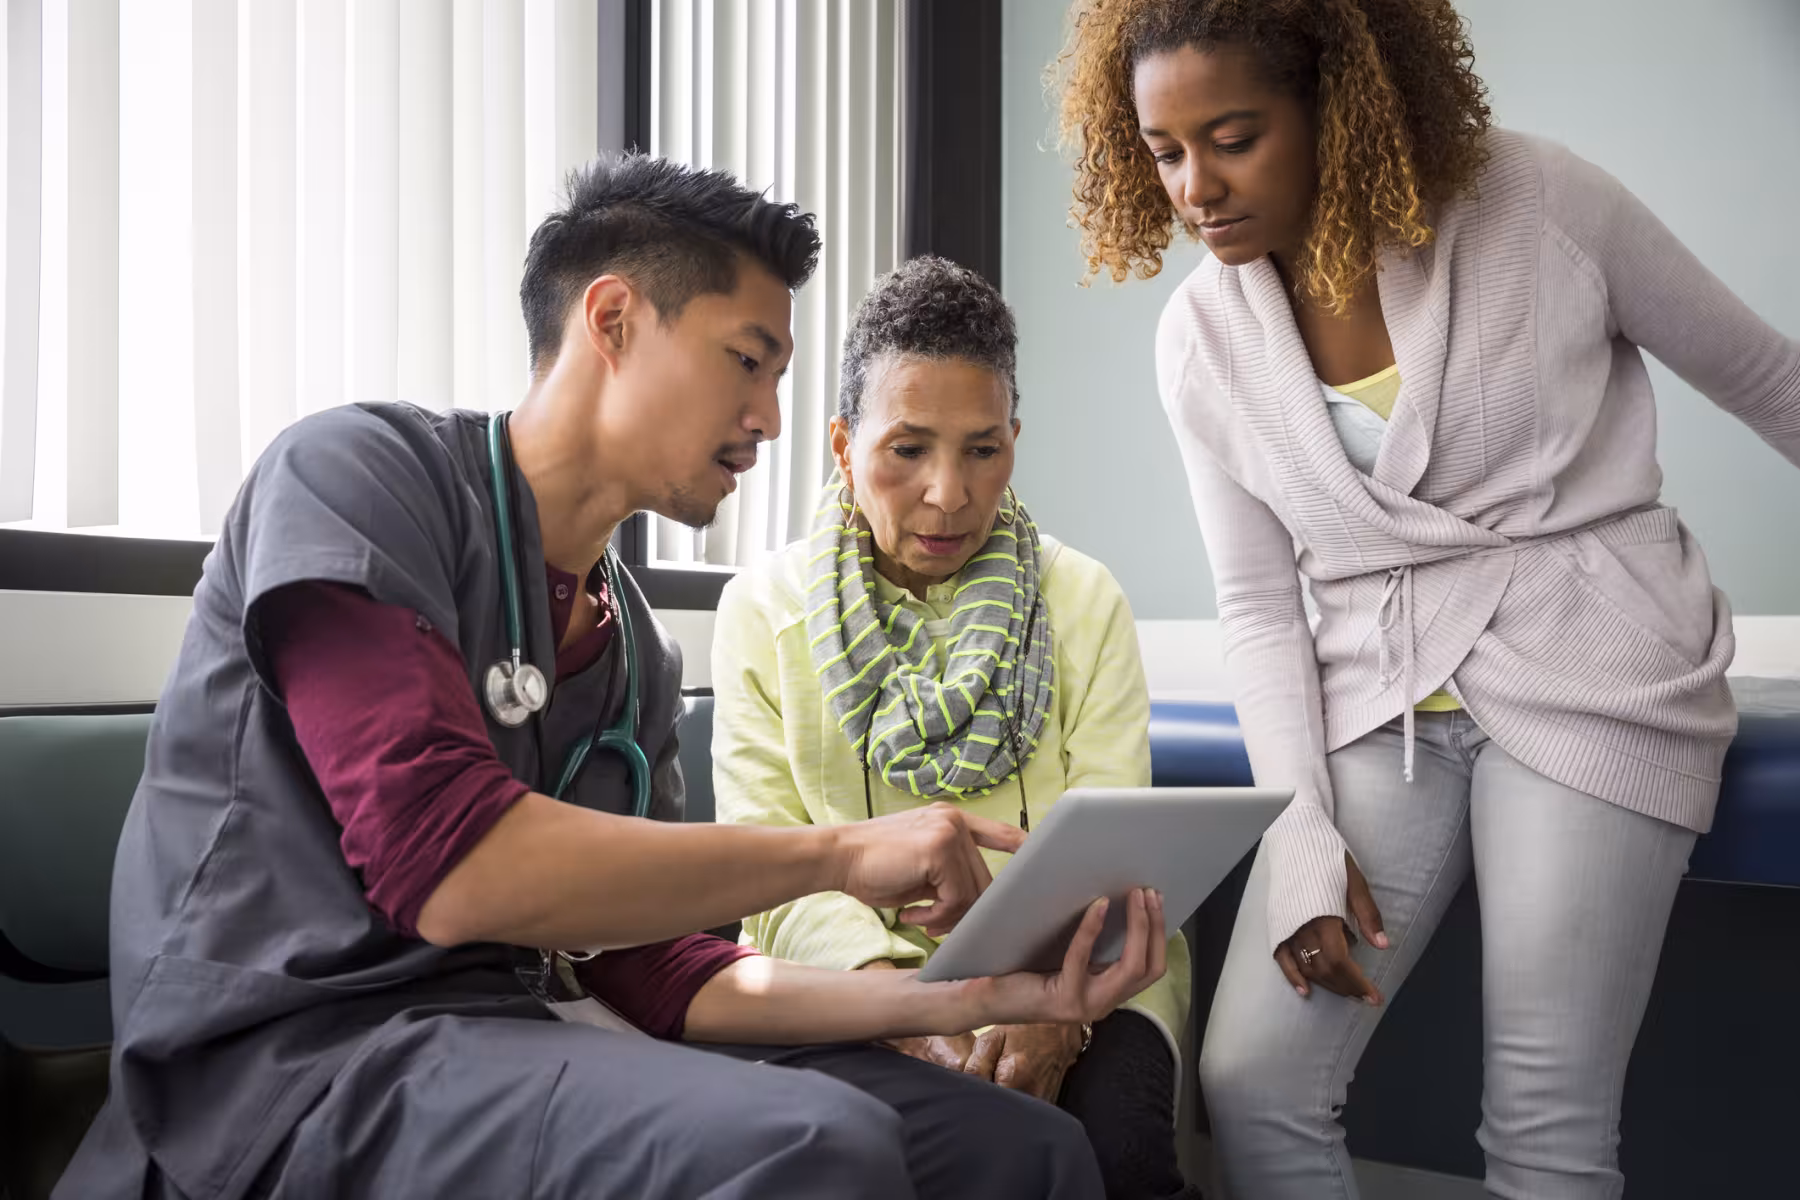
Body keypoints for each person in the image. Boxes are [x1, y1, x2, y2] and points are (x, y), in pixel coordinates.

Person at [54, 155, 1172, 1200]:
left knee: (1023, 1150)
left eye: (781, 378)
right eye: (747, 360)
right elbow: (446, 865)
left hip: (514, 1035)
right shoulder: (356, 477)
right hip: (290, 1063)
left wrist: (976, 997)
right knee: (819, 1146)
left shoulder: (632, 641)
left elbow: (661, 972)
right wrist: (838, 854)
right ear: (614, 319)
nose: (769, 422)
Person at [1053, 1, 1800, 1197]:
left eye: (1233, 137)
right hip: (1381, 703)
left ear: (1336, 105)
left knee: (1543, 1122)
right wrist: (1298, 835)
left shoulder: (1541, 203)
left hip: (1593, 668)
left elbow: (1770, 380)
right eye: (1163, 150)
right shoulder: (1199, 335)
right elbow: (1256, 604)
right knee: (1252, 1082)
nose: (1195, 187)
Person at [712, 254, 1200, 1200]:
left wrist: (1054, 1011)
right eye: (908, 449)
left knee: (1119, 1162)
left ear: (1016, 439)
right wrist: (896, 1001)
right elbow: (767, 871)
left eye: (983, 449)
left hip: (1093, 974)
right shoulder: (762, 611)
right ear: (844, 443)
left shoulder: (1082, 598)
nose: (949, 493)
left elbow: (1115, 853)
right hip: (851, 983)